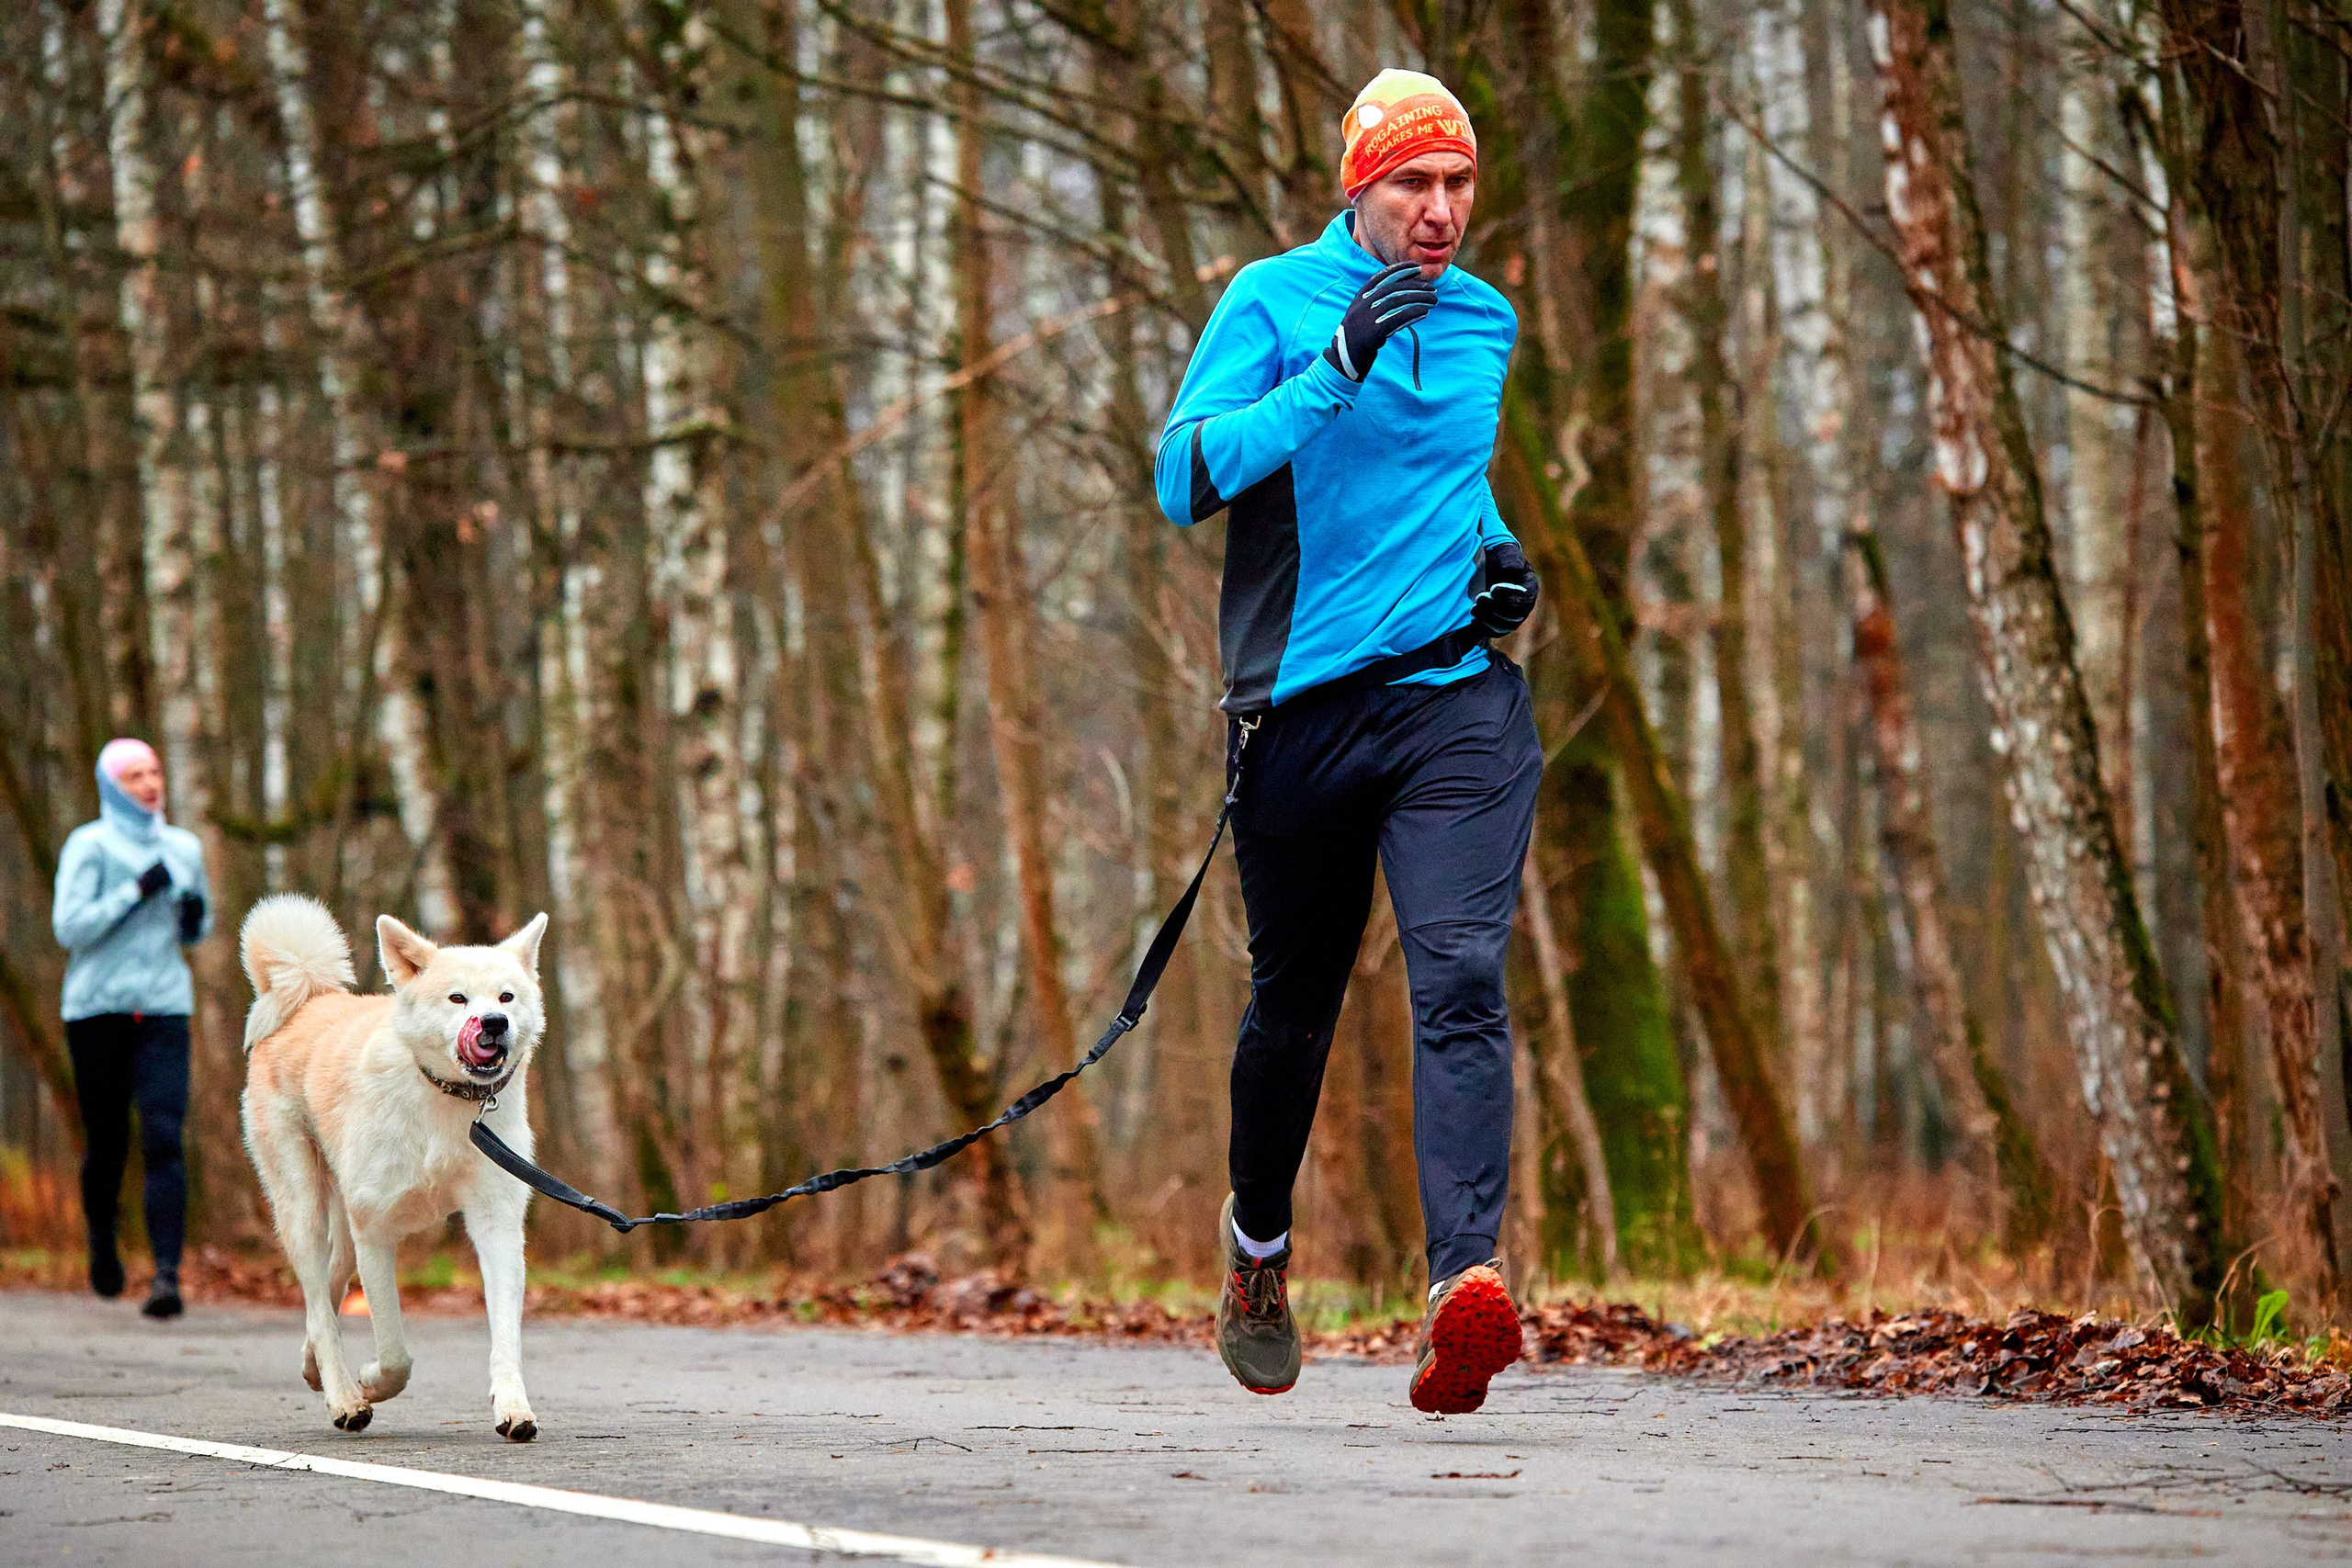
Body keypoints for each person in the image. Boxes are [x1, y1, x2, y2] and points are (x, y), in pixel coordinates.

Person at [1155, 69, 1543, 1413]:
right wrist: (1332, 370)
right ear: (1359, 189)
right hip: (1302, 712)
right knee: (1295, 1011)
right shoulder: (1269, 301)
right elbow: (1184, 475)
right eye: (1412, 185)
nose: (1441, 211)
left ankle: (1463, 1287)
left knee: (1460, 970)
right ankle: (1258, 1245)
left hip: (1453, 698)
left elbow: (1448, 479)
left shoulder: (1487, 320)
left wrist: (1497, 556)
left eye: (1458, 184)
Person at [51, 739, 211, 1319]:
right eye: (134, 776)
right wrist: (135, 890)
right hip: (98, 1010)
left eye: (155, 772)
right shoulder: (88, 845)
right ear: (112, 787)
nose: (150, 784)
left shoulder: (184, 847)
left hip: (166, 1006)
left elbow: (198, 927)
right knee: (109, 1141)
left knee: (165, 1136)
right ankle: (102, 1240)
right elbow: (69, 927)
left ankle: (167, 1275)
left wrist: (193, 914)